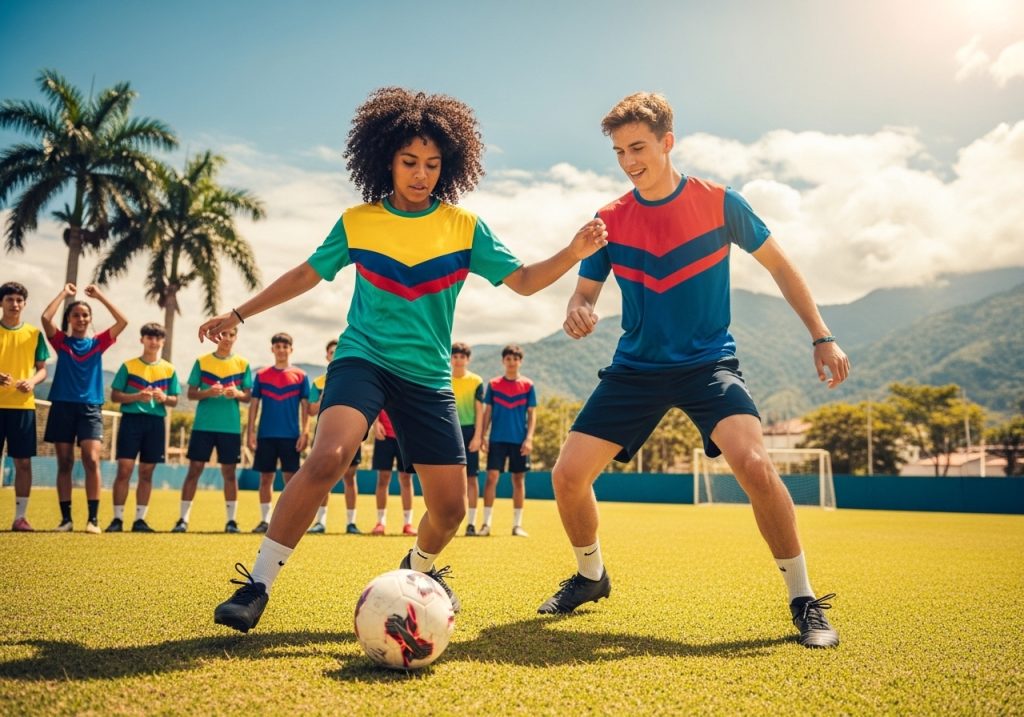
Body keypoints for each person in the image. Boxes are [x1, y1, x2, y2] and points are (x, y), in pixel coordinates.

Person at [205, 86, 606, 633]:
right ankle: (257, 585)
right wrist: (239, 313)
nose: (421, 174)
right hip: (362, 359)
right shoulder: (358, 221)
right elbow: (305, 274)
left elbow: (526, 282)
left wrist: (573, 253)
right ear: (386, 160)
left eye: (433, 165)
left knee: (449, 510)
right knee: (330, 456)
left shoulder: (465, 228)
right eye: (410, 162)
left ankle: (417, 570)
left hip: (428, 377)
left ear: (450, 167)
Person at [536, 92, 850, 650]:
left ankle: (803, 598)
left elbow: (781, 267)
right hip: (636, 368)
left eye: (638, 147)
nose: (630, 160)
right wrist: (578, 311)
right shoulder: (608, 220)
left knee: (753, 464)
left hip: (707, 364)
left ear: (667, 142)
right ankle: (591, 577)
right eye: (618, 151)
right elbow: (583, 294)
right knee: (566, 476)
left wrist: (821, 337)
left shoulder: (721, 202)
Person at [41, 283, 128, 533]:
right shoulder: (61, 342)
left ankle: (93, 520)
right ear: (69, 319)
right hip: (62, 406)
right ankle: (66, 520)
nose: (81, 319)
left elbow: (123, 321)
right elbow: (46, 318)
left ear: (90, 320)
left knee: (91, 459)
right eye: (76, 315)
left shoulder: (98, 343)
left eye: (85, 315)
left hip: (90, 407)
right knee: (65, 462)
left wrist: (100, 296)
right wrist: (64, 294)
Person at [172, 327, 252, 533]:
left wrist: (236, 393)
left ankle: (231, 521)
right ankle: (183, 519)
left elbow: (248, 397)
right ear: (218, 337)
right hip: (203, 425)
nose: (227, 338)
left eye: (231, 335)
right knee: (194, 470)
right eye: (223, 334)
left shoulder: (243, 364)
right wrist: (208, 392)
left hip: (230, 427)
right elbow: (190, 394)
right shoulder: (202, 361)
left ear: (236, 337)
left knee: (230, 473)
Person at [107, 322, 180, 532]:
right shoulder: (129, 366)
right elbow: (114, 395)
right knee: (125, 470)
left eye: (158, 338)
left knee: (147, 472)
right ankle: (117, 519)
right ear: (142, 340)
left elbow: (174, 400)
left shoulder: (169, 369)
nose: (154, 342)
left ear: (163, 341)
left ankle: (140, 520)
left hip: (156, 423)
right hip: (131, 420)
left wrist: (164, 397)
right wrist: (137, 396)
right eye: (149, 337)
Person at [247, 333, 310, 533]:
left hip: (291, 436)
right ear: (272, 349)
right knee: (266, 479)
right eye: (278, 346)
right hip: (266, 435)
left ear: (291, 349)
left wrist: (305, 432)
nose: (281, 350)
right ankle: (265, 520)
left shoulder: (301, 376)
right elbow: (254, 405)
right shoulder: (262, 375)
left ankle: (288, 522)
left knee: (291, 481)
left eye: (285, 346)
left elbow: (305, 407)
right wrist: (250, 432)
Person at [0, 281, 50, 531]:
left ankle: (20, 517)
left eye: (19, 300)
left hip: (22, 407)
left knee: (23, 463)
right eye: (9, 299)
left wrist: (31, 381)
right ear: (1, 303)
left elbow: (42, 370)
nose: (15, 304)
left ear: (25, 304)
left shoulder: (34, 334)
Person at [479, 344, 536, 537]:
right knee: (491, 478)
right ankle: (485, 525)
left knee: (518, 479)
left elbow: (532, 414)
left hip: (519, 441)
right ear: (503, 361)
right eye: (508, 359)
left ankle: (517, 525)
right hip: (496, 439)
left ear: (520, 361)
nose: (512, 362)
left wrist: (529, 439)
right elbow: (487, 413)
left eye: (515, 359)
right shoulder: (494, 384)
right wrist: (482, 436)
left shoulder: (528, 385)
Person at [306, 338, 361, 535]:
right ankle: (320, 521)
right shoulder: (318, 382)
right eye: (331, 352)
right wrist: (326, 394)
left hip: (351, 433)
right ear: (327, 356)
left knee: (350, 477)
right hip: (324, 435)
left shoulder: (355, 379)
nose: (335, 355)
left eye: (338, 351)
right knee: (323, 476)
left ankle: (351, 523)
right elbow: (311, 410)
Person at [450, 342, 484, 536]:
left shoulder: (476, 381)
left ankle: (471, 523)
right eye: (455, 356)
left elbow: (480, 411)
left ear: (468, 359)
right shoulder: (443, 378)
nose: (458, 359)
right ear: (451, 358)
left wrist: (478, 436)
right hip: (449, 431)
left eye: (462, 356)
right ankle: (449, 522)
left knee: (471, 478)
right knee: (450, 479)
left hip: (470, 432)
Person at [370, 409, 416, 536]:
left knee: (406, 478)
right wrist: (375, 423)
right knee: (383, 478)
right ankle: (380, 522)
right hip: (384, 435)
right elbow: (376, 400)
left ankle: (408, 523)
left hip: (406, 435)